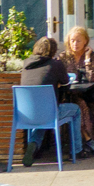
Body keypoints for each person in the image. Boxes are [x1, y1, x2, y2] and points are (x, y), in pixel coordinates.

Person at [20, 36, 85, 165]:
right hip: (48, 112)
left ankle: (33, 144)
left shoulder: (26, 64)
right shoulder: (55, 64)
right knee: (75, 110)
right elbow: (66, 82)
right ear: (53, 51)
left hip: (25, 114)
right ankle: (77, 150)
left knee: (43, 113)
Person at [57, 26, 94, 155]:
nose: (75, 44)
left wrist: (87, 59)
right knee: (81, 105)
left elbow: (92, 77)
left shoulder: (92, 56)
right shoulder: (63, 57)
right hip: (72, 94)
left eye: (78, 41)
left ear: (85, 42)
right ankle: (86, 141)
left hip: (91, 93)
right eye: (72, 40)